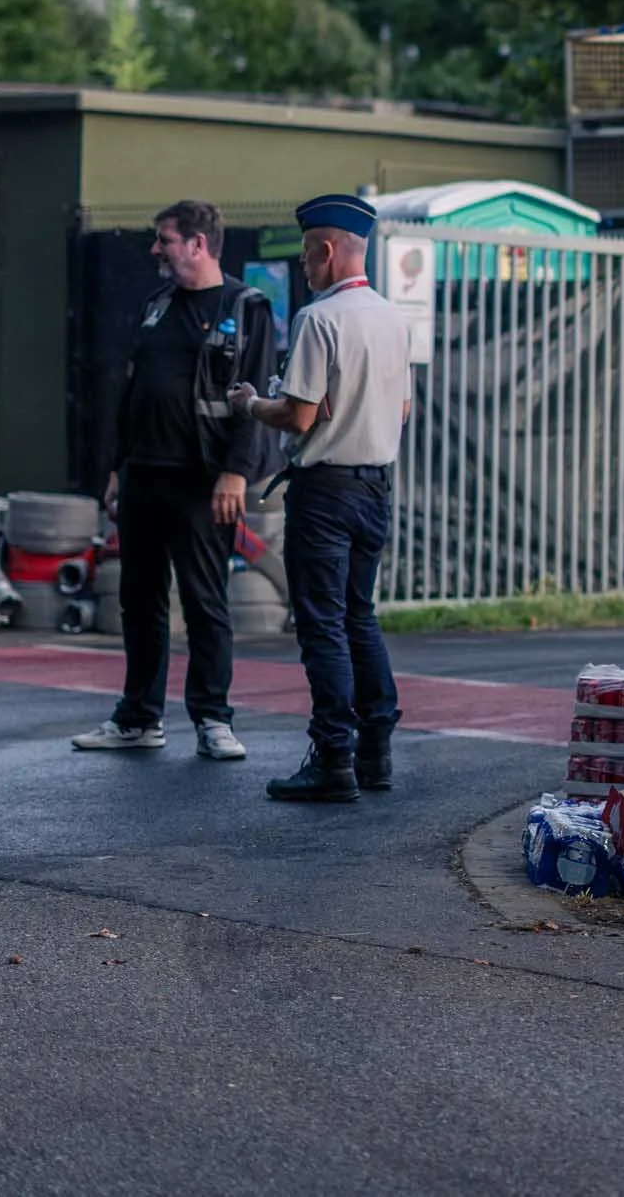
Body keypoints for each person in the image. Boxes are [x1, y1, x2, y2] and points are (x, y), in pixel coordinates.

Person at [73, 199, 277, 762]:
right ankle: (138, 717)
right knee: (139, 600)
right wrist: (117, 468)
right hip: (144, 474)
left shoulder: (246, 306)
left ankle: (213, 718)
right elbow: (132, 392)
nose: (155, 250)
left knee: (204, 599)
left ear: (197, 244)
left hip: (202, 479)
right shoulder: (157, 303)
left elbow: (252, 396)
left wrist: (236, 473)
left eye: (164, 239)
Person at [228, 194, 410, 803]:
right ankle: (376, 751)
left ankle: (332, 754)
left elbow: (299, 414)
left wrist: (252, 403)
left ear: (327, 250)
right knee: (360, 615)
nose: (304, 264)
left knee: (321, 623)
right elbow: (403, 407)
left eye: (307, 253)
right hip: (375, 486)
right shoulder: (390, 317)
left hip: (326, 492)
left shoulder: (318, 319)